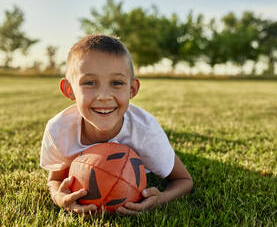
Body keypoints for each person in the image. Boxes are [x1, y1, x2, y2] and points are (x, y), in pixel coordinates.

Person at [40, 34, 193, 215]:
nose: (104, 96)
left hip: (147, 145)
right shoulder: (59, 130)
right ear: (69, 90)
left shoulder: (145, 132)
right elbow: (55, 179)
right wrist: (59, 197)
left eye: (116, 83)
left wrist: (160, 198)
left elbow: (183, 180)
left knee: (161, 153)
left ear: (132, 89)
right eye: (89, 82)